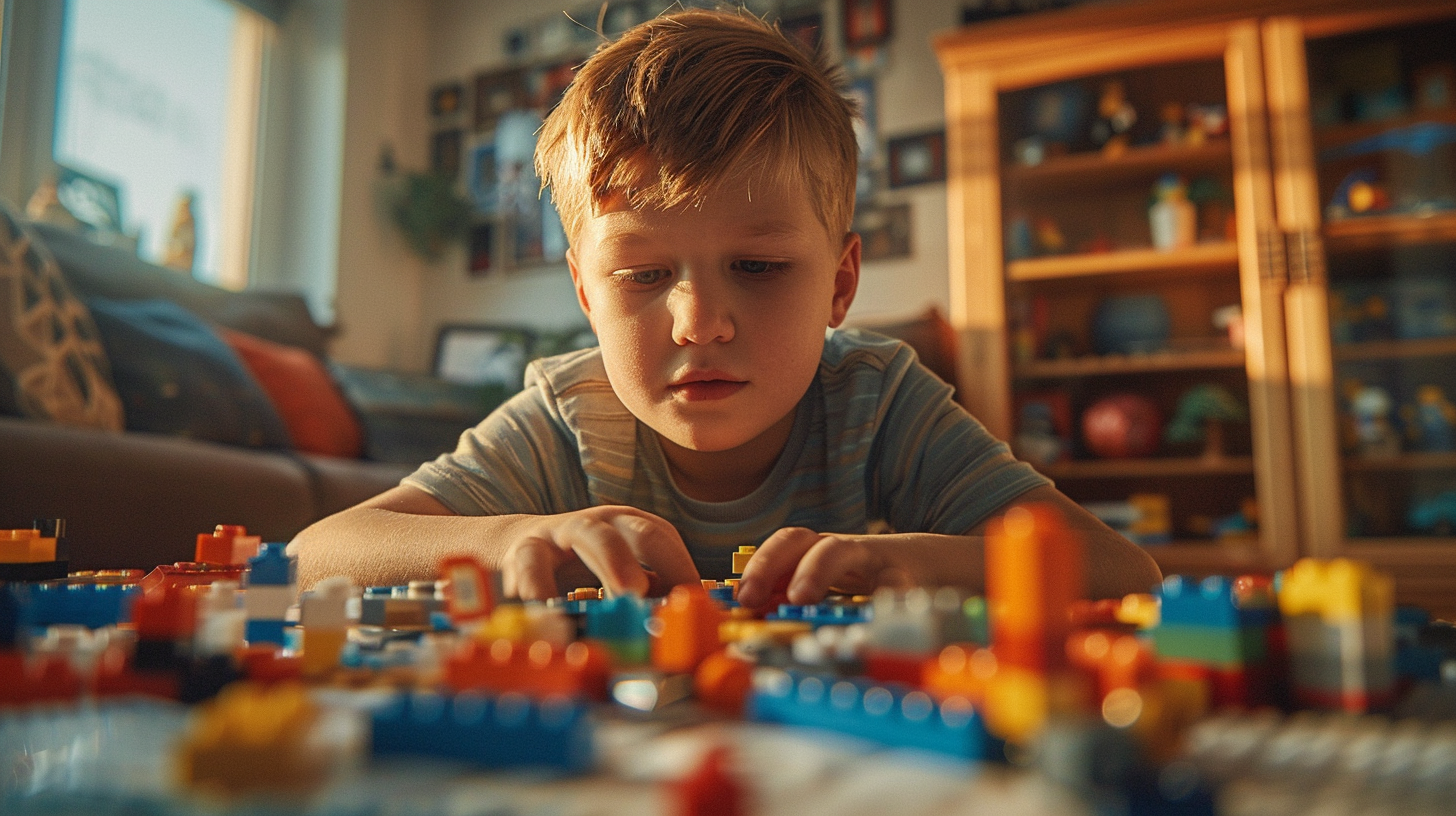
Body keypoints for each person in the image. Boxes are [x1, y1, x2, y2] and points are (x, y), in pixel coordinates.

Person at [289, 8, 1160, 605]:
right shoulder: (570, 413)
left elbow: (1120, 570)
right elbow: (315, 553)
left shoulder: (878, 396)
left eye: (757, 264)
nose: (698, 321)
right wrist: (510, 538)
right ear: (587, 295)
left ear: (840, 286)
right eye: (639, 276)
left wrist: (908, 561)